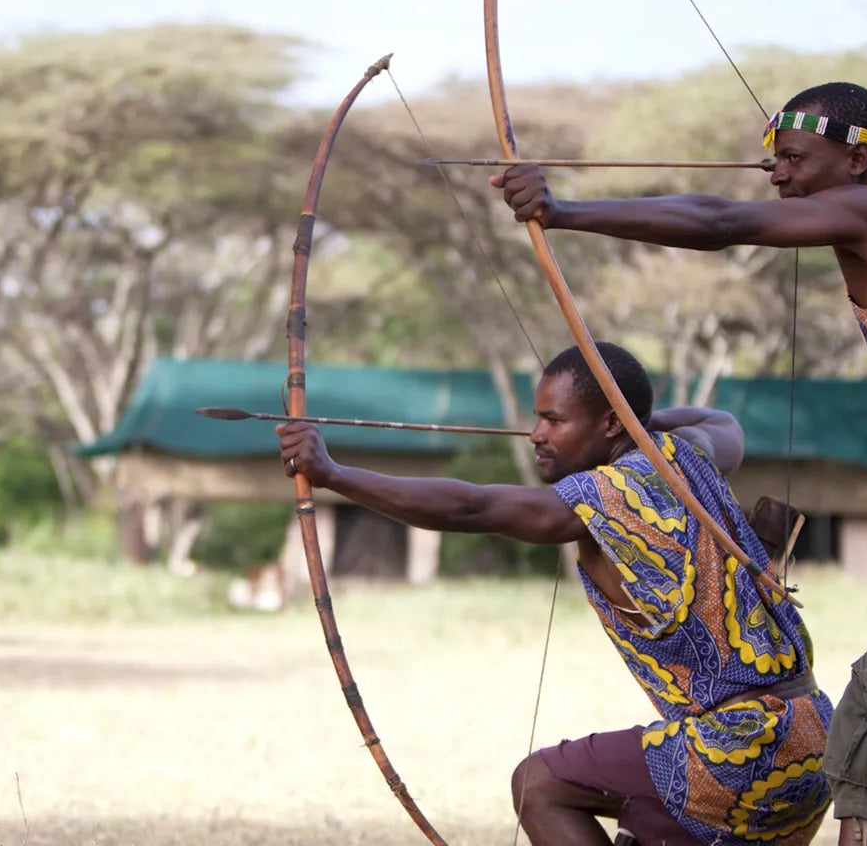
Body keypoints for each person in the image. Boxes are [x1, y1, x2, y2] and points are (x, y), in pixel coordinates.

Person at [490, 82, 867, 845]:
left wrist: (565, 212)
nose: (774, 177)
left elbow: (720, 222)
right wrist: (826, 140)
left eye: (790, 160)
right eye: (770, 159)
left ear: (855, 158)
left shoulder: (865, 207)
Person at [277, 342, 833, 846]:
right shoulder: (685, 453)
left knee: (538, 784)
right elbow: (723, 421)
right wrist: (637, 426)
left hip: (741, 750)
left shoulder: (607, 496)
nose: (536, 434)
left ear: (611, 425)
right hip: (814, 739)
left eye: (553, 419)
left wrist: (332, 474)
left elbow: (472, 507)